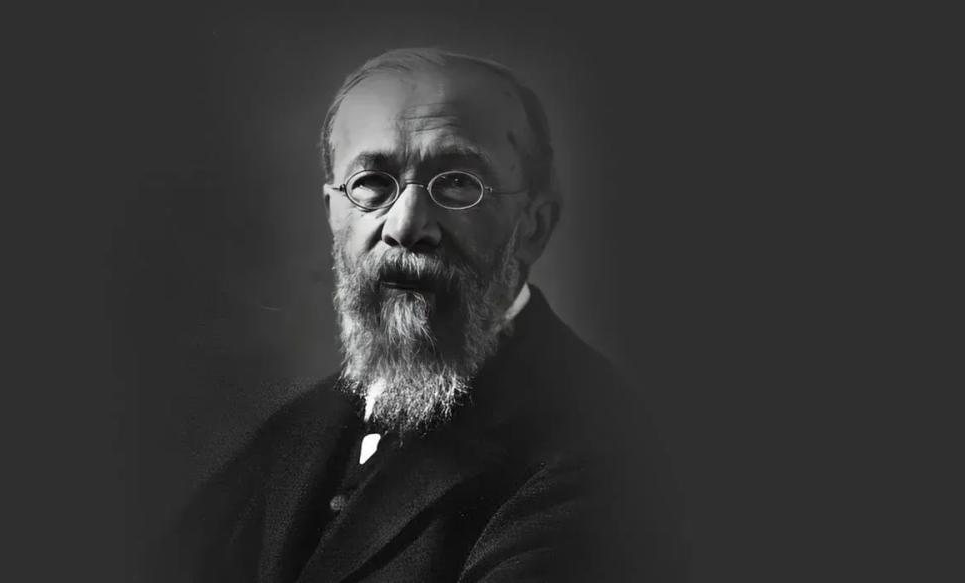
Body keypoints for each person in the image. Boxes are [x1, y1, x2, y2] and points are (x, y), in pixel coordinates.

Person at [145, 47, 686, 582]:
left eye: (457, 183)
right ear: (333, 211)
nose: (406, 226)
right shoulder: (297, 434)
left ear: (533, 226)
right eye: (371, 183)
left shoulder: (599, 455)